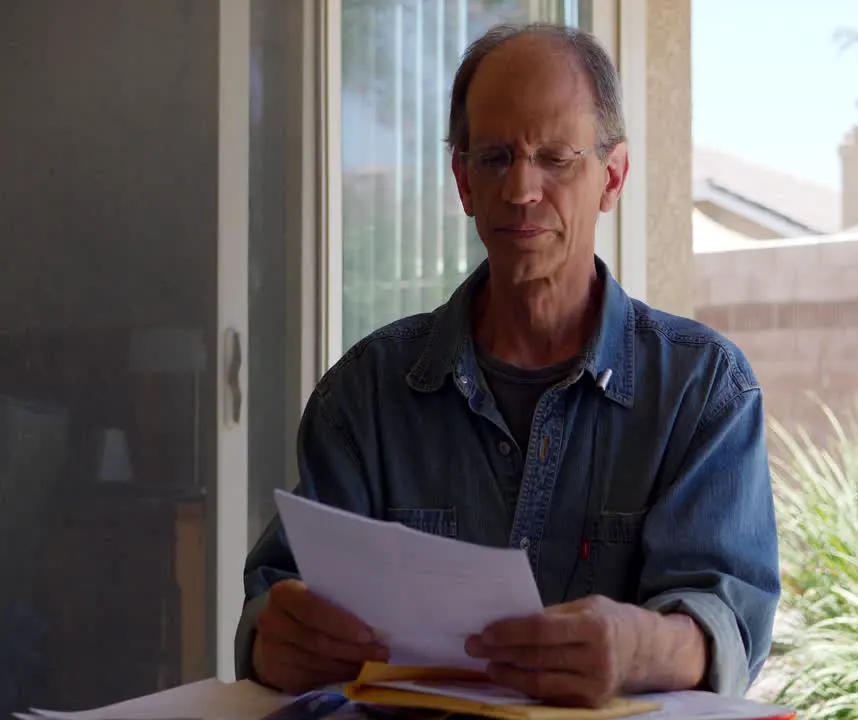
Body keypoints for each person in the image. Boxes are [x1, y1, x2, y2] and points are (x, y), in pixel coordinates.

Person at [235, 22, 779, 707]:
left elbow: (728, 620)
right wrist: (271, 636)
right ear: (462, 182)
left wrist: (641, 647)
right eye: (494, 157)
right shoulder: (365, 395)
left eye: (555, 157)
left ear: (612, 177)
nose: (522, 189)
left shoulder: (703, 392)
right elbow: (275, 601)